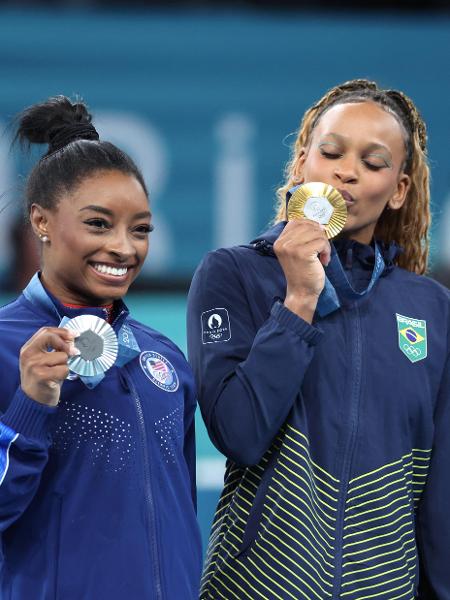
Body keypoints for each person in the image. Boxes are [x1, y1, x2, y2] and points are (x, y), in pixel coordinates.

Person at [187, 79, 450, 599]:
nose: (347, 171)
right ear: (303, 162)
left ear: (398, 189)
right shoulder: (234, 274)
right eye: (331, 152)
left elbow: (439, 491)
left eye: (373, 164)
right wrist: (299, 301)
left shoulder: (431, 309)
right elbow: (238, 432)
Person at [0, 96, 202, 599]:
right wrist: (30, 406)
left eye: (140, 230)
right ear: (41, 221)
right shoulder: (4, 346)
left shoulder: (166, 359)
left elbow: (180, 515)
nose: (124, 247)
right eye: (98, 224)